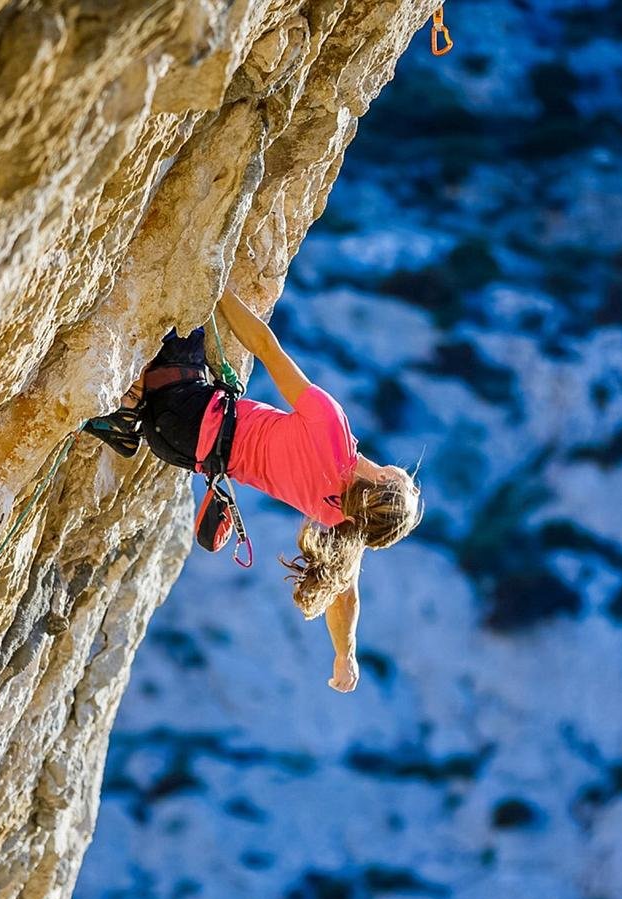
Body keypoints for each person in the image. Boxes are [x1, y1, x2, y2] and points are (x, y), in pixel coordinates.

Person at [83, 287, 423, 693]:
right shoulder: (336, 515)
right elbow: (345, 595)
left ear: (385, 481)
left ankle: (127, 412)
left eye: (408, 483)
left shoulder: (332, 429)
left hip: (188, 409)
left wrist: (219, 288)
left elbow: (265, 346)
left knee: (173, 310)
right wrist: (344, 655)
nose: (408, 477)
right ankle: (129, 418)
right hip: (180, 449)